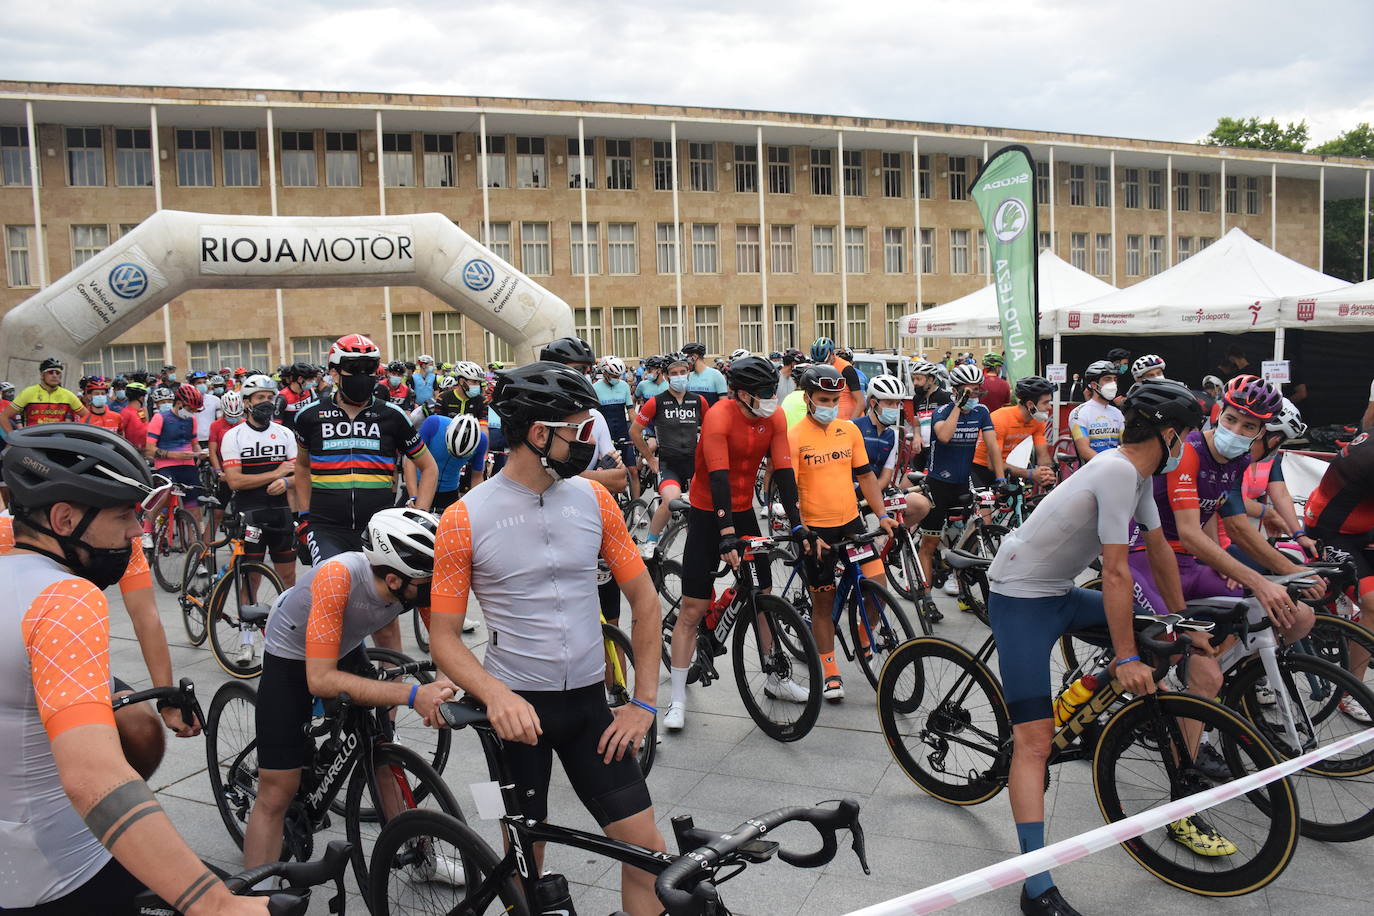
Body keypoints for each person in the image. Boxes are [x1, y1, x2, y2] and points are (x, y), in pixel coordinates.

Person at [428, 362, 666, 916]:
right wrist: (494, 694)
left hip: (588, 709)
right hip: (517, 715)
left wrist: (644, 703)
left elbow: (647, 604)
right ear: (540, 434)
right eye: (579, 430)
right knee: (525, 875)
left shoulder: (593, 500)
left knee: (648, 854)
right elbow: (443, 638)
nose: (589, 440)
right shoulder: (464, 518)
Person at [0, 423, 265, 915]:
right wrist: (214, 905)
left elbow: (146, 615)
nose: (137, 532)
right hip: (55, 873)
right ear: (63, 518)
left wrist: (167, 693)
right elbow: (92, 777)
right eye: (124, 515)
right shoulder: (64, 596)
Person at [986, 379, 1201, 916]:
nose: (1188, 448)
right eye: (1188, 437)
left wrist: (1181, 623)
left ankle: (1080, 699)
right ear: (1170, 433)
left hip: (1058, 592)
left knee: (1156, 637)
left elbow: (1158, 548)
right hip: (1020, 599)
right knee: (1033, 744)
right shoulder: (1116, 470)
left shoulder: (1141, 476)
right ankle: (1036, 889)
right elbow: (1114, 568)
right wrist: (1125, 657)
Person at [242, 508, 454, 871]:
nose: (432, 590)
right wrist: (413, 696)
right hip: (291, 654)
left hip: (342, 644)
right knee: (278, 791)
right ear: (392, 579)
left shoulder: (412, 581)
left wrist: (448, 682)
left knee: (381, 748)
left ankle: (422, 858)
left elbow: (445, 643)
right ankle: (253, 898)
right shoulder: (338, 576)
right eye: (425, 583)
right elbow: (320, 680)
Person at [664, 355, 807, 730]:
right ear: (741, 394)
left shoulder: (773, 418)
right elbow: (718, 478)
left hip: (744, 511)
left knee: (764, 595)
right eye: (762, 393)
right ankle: (677, 698)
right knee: (693, 608)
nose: (770, 399)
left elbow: (785, 474)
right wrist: (726, 535)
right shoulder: (720, 416)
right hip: (709, 510)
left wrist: (798, 525)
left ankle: (776, 677)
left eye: (772, 391)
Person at [789, 365, 899, 700]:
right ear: (808, 399)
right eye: (824, 399)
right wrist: (805, 532)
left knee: (877, 583)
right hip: (816, 529)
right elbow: (789, 489)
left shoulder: (847, 431)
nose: (831, 405)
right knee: (822, 605)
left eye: (835, 399)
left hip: (851, 522)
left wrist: (881, 515)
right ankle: (831, 672)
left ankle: (864, 636)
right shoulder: (794, 435)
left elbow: (866, 476)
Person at [294, 335, 437, 570]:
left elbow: (429, 467)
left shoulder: (393, 416)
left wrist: (420, 515)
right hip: (326, 528)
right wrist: (305, 515)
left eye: (369, 368)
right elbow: (301, 466)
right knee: (331, 588)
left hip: (377, 528)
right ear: (334, 372)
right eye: (353, 368)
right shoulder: (309, 416)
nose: (362, 375)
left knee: (378, 600)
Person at [917, 363, 1005, 588]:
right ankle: (926, 599)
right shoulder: (941, 412)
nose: (974, 395)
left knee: (965, 536)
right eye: (969, 391)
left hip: (962, 484)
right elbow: (944, 436)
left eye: (977, 390)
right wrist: (958, 405)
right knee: (929, 544)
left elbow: (993, 446)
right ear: (955, 390)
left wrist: (1000, 478)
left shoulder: (981, 412)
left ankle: (959, 584)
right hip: (938, 485)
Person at [220, 379, 299, 599]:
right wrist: (276, 473)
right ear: (247, 403)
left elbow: (299, 475)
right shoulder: (233, 436)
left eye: (269, 397)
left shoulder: (285, 433)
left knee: (289, 576)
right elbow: (235, 481)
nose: (267, 402)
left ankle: (287, 626)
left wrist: (286, 482)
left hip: (280, 511)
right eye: (260, 398)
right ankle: (247, 631)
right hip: (249, 513)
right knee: (251, 576)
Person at [630, 356, 706, 557]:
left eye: (682, 372)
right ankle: (651, 541)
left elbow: (711, 429)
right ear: (665, 376)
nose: (679, 376)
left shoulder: (698, 401)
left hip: (694, 465)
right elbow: (635, 431)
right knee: (671, 501)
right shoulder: (656, 402)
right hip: (669, 465)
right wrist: (650, 457)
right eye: (674, 373)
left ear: (688, 373)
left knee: (702, 508)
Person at [970, 376, 1056, 489]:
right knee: (986, 505)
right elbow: (992, 464)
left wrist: (1046, 473)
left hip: (1004, 466)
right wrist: (1030, 474)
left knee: (1022, 502)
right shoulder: (1001, 419)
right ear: (1030, 405)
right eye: (1046, 402)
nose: (1049, 407)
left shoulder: (1037, 421)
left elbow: (1043, 456)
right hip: (979, 467)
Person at [145, 383, 205, 532]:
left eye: (195, 411)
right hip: (166, 466)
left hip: (188, 466)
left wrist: (200, 453)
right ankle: (146, 531)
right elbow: (149, 450)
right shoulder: (160, 418)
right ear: (179, 403)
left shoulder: (192, 420)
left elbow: (194, 443)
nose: (192, 413)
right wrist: (174, 455)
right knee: (163, 497)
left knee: (195, 510)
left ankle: (196, 546)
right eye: (190, 409)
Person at [414, 412, 487, 513]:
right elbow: (410, 461)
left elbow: (477, 476)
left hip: (449, 492)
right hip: (420, 485)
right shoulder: (433, 424)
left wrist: (477, 506)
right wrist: (412, 496)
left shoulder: (481, 441)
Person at [0, 357, 87, 433]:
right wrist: (11, 436)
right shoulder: (28, 392)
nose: (55, 375)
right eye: (50, 372)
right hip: (32, 439)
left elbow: (89, 417)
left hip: (58, 439)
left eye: (58, 373)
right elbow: (3, 416)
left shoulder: (68, 395)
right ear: (42, 375)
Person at [593, 356, 639, 498]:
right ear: (605, 373)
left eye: (618, 376)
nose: (616, 378)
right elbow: (593, 416)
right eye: (613, 375)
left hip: (622, 431)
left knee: (633, 471)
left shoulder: (624, 386)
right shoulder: (595, 388)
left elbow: (631, 412)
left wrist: (638, 431)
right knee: (607, 473)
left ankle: (636, 509)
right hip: (604, 435)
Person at [1068, 360, 1124, 461]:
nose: (1113, 383)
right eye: (1107, 379)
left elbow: (1126, 445)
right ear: (1094, 385)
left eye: (1114, 379)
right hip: (1091, 471)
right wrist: (1108, 465)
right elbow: (1084, 451)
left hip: (1115, 469)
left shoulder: (1117, 413)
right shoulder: (1079, 413)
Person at [908, 360, 952, 473]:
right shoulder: (917, 399)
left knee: (925, 486)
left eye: (919, 379)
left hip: (939, 452)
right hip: (922, 450)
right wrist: (917, 436)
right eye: (914, 379)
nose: (915, 383)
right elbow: (917, 422)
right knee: (904, 485)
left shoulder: (945, 397)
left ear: (931, 379)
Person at [809, 337, 864, 419]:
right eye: (819, 364)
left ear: (832, 354)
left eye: (825, 362)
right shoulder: (816, 370)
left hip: (850, 420)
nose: (823, 366)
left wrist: (851, 422)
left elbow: (861, 402)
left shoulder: (846, 368)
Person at [272, 362, 319, 432]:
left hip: (307, 435)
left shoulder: (310, 391)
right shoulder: (282, 397)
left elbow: (316, 413)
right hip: (290, 437)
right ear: (300, 379)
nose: (313, 382)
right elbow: (277, 425)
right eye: (310, 379)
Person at [681, 341, 728, 405]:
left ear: (694, 357)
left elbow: (723, 404)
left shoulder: (716, 375)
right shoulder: (688, 376)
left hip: (710, 414)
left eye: (687, 357)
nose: (686, 361)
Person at [189, 371, 221, 450]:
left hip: (212, 439)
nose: (202, 385)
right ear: (193, 385)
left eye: (204, 382)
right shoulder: (187, 401)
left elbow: (219, 420)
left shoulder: (215, 400)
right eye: (199, 383)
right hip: (194, 440)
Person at [116, 381, 150, 451]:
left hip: (144, 450)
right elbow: (120, 434)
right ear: (141, 398)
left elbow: (145, 424)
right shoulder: (126, 412)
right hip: (133, 451)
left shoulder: (140, 411)